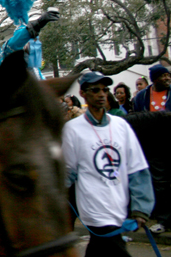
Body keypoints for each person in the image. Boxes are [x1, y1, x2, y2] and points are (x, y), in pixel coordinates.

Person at [63, 71, 154, 256]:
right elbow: (66, 174)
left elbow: (137, 169)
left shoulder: (121, 126)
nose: (101, 94)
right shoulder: (72, 129)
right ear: (83, 93)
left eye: (105, 90)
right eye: (95, 90)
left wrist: (141, 208)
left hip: (119, 206)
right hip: (94, 211)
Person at [0, 0, 59, 78]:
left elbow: (36, 64)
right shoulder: (19, 34)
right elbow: (14, 44)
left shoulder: (32, 40)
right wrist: (38, 23)